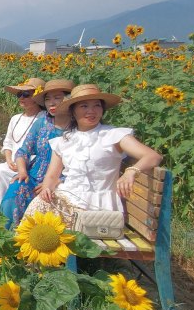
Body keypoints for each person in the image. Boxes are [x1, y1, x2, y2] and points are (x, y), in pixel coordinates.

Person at [24, 84, 162, 227]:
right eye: (84, 106)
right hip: (67, 199)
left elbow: (153, 156)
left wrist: (131, 172)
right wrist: (47, 188)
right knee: (34, 224)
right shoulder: (64, 140)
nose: (91, 111)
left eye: (97, 106)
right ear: (73, 112)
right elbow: (52, 176)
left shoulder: (113, 135)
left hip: (97, 208)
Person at [0, 79, 74, 228]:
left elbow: (83, 165)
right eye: (47, 99)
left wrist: (57, 181)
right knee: (15, 191)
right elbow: (23, 151)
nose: (52, 103)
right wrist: (22, 171)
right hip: (33, 176)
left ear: (70, 99)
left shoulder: (77, 127)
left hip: (62, 181)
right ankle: (7, 239)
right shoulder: (42, 122)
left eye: (57, 98)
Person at [0, 78, 45, 211]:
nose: (21, 98)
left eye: (26, 94)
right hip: (13, 163)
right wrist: (9, 160)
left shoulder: (44, 118)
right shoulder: (15, 119)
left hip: (33, 164)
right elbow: (8, 143)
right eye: (19, 94)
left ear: (38, 97)